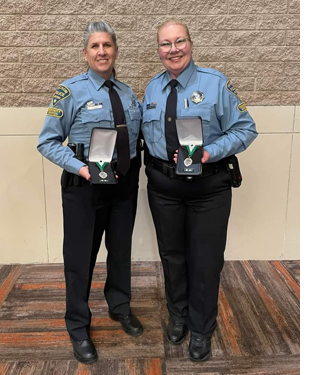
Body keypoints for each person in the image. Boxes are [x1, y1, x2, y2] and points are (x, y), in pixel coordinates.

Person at [141, 19, 258, 362]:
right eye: (165, 44)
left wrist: (210, 152)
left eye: (179, 41)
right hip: (164, 187)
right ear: (158, 50)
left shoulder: (216, 83)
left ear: (191, 44)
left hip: (209, 188)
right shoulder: (152, 89)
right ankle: (178, 315)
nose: (173, 49)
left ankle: (202, 326)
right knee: (172, 256)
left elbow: (245, 129)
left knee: (205, 261)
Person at [37, 21, 143, 364]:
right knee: (80, 258)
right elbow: (47, 142)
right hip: (85, 186)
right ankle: (78, 326)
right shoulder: (70, 91)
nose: (102, 52)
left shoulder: (127, 93)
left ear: (115, 51)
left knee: (120, 249)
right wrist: (80, 168)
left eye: (107, 46)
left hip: (124, 184)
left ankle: (120, 305)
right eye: (95, 46)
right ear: (85, 53)